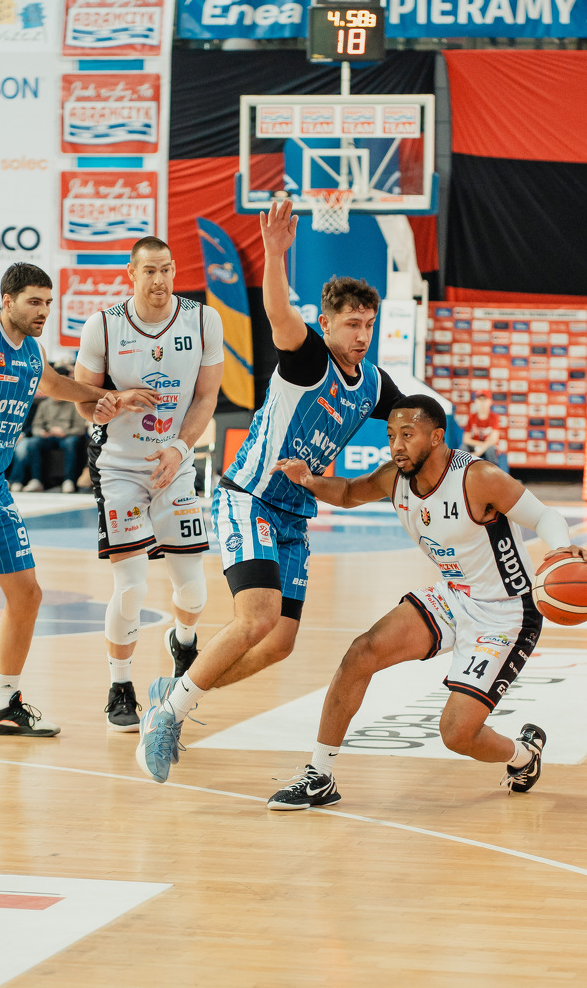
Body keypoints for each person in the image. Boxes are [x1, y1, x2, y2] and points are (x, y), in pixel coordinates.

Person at [136, 197, 403, 784]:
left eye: (368, 324)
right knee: (255, 618)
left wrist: (446, 456)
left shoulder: (373, 384)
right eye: (351, 324)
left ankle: (176, 690)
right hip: (249, 498)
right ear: (327, 323)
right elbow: (279, 312)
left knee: (279, 642)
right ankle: (167, 715)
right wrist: (275, 255)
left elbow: (416, 414)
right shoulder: (308, 359)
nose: (361, 334)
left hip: (294, 516)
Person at [265, 394, 587, 809]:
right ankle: (320, 775)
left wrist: (562, 548)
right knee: (361, 652)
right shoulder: (394, 478)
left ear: (437, 437)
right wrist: (309, 480)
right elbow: (349, 491)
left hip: (507, 613)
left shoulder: (478, 478)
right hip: (454, 595)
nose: (397, 445)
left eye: (407, 435)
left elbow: (544, 516)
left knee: (457, 734)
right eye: (391, 435)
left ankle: (523, 754)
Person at [0, 262, 160, 737]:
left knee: (26, 595)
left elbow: (57, 386)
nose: (43, 311)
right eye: (33, 302)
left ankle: (3, 704)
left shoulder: (32, 352)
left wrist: (115, 395)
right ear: (8, 301)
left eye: (48, 303)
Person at [74, 235, 224, 732]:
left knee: (195, 591)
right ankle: (120, 686)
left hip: (173, 463)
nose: (159, 280)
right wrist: (108, 402)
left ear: (175, 270)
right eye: (149, 271)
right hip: (118, 467)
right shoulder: (103, 325)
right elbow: (83, 401)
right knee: (131, 587)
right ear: (131, 274)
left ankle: (183, 642)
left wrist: (180, 447)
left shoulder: (203, 320)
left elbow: (206, 397)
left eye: (166, 270)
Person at [8, 369, 87, 493]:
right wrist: (41, 432)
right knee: (32, 443)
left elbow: (80, 428)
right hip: (48, 437)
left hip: (67, 436)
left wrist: (64, 431)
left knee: (71, 442)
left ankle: (69, 480)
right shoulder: (44, 405)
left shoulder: (74, 404)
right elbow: (36, 426)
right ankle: (36, 480)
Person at [461, 390, 500, 465]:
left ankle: (492, 470)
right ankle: (461, 469)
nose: (482, 403)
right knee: (463, 448)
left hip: (488, 447)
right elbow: (466, 439)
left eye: (484, 399)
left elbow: (493, 440)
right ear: (475, 401)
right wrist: (480, 445)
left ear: (490, 401)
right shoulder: (471, 417)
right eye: (479, 399)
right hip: (476, 445)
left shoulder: (494, 417)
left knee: (490, 449)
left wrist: (478, 453)